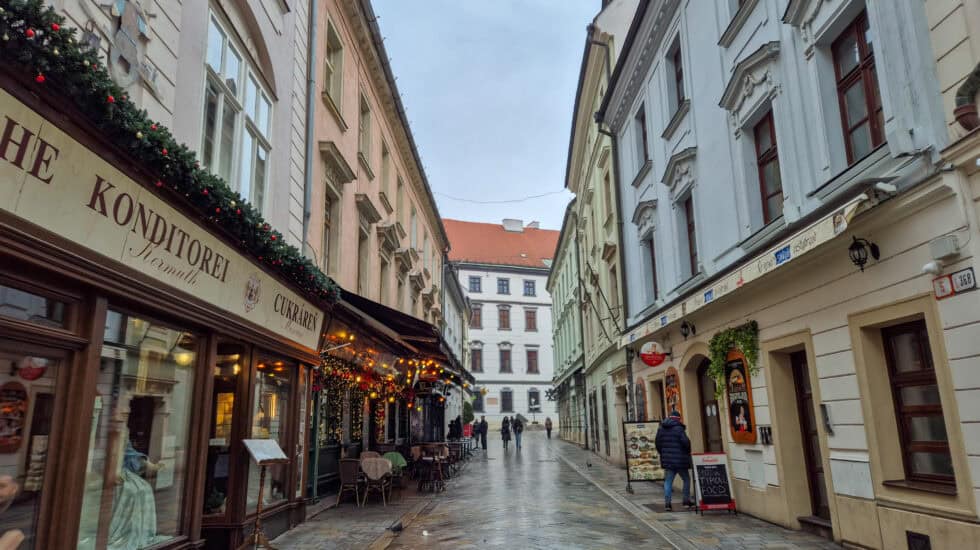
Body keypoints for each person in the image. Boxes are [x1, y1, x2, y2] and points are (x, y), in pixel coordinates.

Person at [654, 410, 693, 511]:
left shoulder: (661, 428)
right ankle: (686, 501)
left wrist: (663, 453)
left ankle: (667, 504)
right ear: (678, 419)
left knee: (668, 482)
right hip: (680, 460)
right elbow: (686, 443)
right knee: (686, 479)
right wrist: (687, 452)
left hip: (668, 461)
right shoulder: (679, 429)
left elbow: (658, 444)